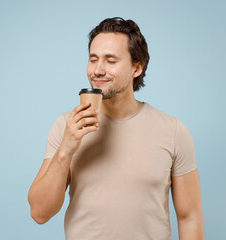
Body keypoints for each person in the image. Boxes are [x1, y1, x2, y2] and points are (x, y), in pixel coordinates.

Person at [28, 17, 204, 240]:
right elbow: (39, 213)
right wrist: (66, 148)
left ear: (136, 68)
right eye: (93, 59)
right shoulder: (67, 126)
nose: (98, 70)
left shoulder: (173, 131)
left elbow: (190, 217)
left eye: (111, 60)